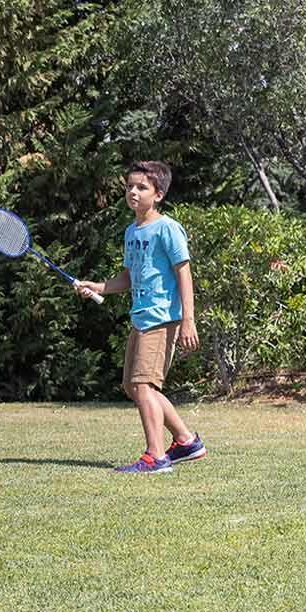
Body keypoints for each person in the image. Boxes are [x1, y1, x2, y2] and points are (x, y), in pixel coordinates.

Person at [73, 161, 208, 474]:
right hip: (141, 318)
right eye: (129, 186)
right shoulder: (131, 232)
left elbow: (184, 275)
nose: (133, 192)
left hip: (162, 318)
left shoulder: (168, 228)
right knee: (133, 387)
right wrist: (99, 287)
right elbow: (129, 277)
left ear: (158, 194)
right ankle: (186, 441)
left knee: (144, 385)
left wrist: (188, 319)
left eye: (141, 187)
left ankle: (156, 456)